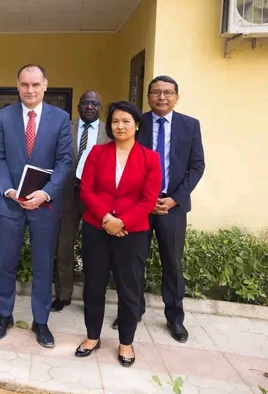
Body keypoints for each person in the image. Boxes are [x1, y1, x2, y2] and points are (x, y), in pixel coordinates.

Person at [111, 76, 205, 342]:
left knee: (172, 264)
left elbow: (196, 166)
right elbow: (126, 161)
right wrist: (145, 200)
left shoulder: (190, 125)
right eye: (156, 92)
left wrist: (175, 198)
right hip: (140, 205)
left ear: (176, 96)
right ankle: (133, 311)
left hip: (173, 206)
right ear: (148, 96)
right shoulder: (136, 123)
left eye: (168, 93)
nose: (162, 97)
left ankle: (175, 318)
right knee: (132, 262)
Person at [0, 64, 72, 348]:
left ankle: (41, 321)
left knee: (41, 265)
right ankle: (4, 315)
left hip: (44, 206)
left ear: (45, 85)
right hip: (10, 203)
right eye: (25, 84)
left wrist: (46, 194)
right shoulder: (3, 116)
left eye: (36, 85)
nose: (30, 90)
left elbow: (64, 162)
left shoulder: (61, 118)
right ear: (17, 85)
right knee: (6, 263)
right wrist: (8, 189)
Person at [76, 101, 162, 367]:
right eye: (115, 121)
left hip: (132, 233)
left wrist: (122, 221)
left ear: (136, 124)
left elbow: (149, 200)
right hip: (96, 229)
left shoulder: (150, 158)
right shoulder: (97, 153)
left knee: (129, 289)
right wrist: (106, 218)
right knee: (94, 285)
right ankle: (92, 337)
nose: (120, 126)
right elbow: (86, 190)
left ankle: (126, 342)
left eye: (125, 121)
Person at [53, 90, 110, 312]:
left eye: (94, 103)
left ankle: (92, 297)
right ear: (77, 106)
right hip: (67, 195)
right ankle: (63, 295)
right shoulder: (66, 128)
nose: (89, 106)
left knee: (94, 250)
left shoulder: (110, 131)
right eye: (85, 102)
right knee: (64, 246)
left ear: (100, 107)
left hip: (96, 198)